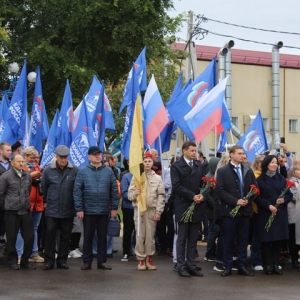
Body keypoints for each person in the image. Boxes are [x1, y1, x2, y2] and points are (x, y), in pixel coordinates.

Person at [74, 146, 119, 271]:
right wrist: (79, 208)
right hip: (88, 210)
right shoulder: (83, 171)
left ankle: (102, 261)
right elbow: (77, 191)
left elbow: (114, 191)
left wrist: (114, 207)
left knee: (102, 236)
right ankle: (87, 261)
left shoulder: (108, 171)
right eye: (95, 154)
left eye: (99, 154)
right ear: (89, 157)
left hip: (104, 209)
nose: (98, 156)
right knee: (88, 236)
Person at [216, 145, 256, 277]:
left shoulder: (248, 170)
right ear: (231, 155)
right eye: (239, 153)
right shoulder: (223, 171)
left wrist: (248, 199)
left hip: (245, 211)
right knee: (229, 239)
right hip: (229, 211)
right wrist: (235, 201)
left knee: (243, 240)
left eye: (243, 153)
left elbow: (254, 188)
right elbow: (220, 190)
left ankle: (242, 265)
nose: (242, 155)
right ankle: (227, 266)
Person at [171, 141, 205, 278]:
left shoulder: (198, 165)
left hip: (196, 206)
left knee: (193, 238)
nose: (194, 153)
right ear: (184, 151)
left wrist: (203, 194)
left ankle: (191, 265)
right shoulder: (176, 166)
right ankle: (181, 266)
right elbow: (177, 186)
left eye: (195, 151)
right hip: (184, 206)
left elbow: (203, 183)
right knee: (182, 238)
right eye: (191, 150)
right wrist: (192, 196)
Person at [41, 145, 78, 270]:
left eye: (65, 157)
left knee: (66, 237)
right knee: (50, 235)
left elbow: (76, 189)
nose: (63, 160)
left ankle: (62, 260)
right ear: (56, 157)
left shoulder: (74, 170)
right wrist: (50, 200)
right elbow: (44, 189)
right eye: (61, 157)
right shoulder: (48, 171)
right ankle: (49, 261)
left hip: (68, 209)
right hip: (52, 209)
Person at [255, 155, 293, 275]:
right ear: (266, 164)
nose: (275, 165)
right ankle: (268, 265)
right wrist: (268, 206)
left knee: (278, 240)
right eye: (272, 163)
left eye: (276, 163)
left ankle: (275, 264)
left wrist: (284, 200)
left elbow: (289, 194)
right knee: (267, 241)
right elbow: (256, 197)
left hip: (279, 213)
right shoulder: (260, 180)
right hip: (266, 213)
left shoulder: (281, 179)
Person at [128, 153, 165, 270]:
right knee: (140, 235)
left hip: (151, 210)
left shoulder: (158, 178)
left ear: (152, 163)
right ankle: (141, 259)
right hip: (139, 210)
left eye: (149, 161)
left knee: (150, 236)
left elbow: (161, 196)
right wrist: (135, 193)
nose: (147, 163)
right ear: (142, 163)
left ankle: (149, 257)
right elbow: (129, 195)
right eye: (145, 161)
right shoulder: (136, 177)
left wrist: (158, 211)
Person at [0, 154, 35, 270]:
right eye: (18, 161)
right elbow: (1, 194)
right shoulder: (6, 176)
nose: (21, 164)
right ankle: (13, 260)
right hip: (11, 211)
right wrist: (6, 205)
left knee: (29, 237)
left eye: (22, 162)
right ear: (12, 163)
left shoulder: (27, 176)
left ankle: (25, 261)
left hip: (25, 210)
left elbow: (28, 190)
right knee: (11, 238)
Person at [15, 147, 44, 264]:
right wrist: (32, 175)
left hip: (38, 203)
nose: (34, 160)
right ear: (25, 156)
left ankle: (34, 253)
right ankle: (20, 254)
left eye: (36, 158)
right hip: (25, 203)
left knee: (35, 228)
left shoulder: (38, 167)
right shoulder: (22, 167)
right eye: (32, 158)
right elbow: (20, 179)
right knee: (21, 230)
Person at [287, 161, 300, 268]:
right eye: (298, 169)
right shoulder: (291, 182)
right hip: (294, 214)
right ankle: (294, 259)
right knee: (293, 238)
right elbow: (294, 197)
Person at [120, 168, 134, 262]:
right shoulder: (126, 177)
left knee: (141, 232)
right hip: (129, 208)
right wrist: (135, 196)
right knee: (128, 230)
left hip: (142, 208)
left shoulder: (144, 175)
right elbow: (124, 193)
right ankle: (126, 251)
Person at [0, 142, 12, 248]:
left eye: (10, 150)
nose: (10, 152)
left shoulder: (13, 164)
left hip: (10, 200)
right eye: (8, 150)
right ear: (1, 151)